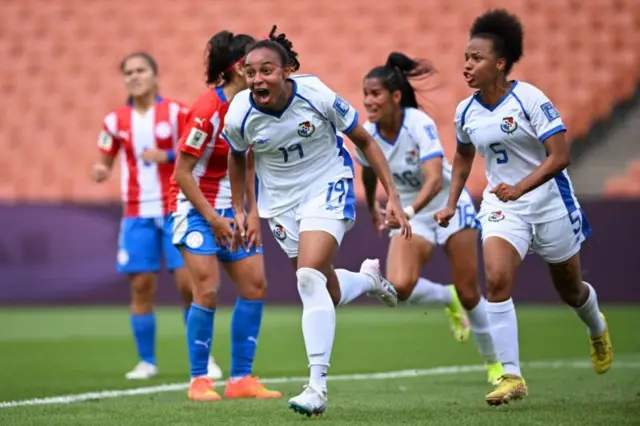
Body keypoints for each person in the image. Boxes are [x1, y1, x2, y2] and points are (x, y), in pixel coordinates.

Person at [222, 26, 409, 417]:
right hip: (280, 203)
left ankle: (316, 387)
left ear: (287, 70)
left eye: (267, 70)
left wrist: (390, 195)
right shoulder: (239, 112)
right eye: (251, 72)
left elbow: (365, 140)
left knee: (308, 278)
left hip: (328, 184)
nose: (258, 79)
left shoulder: (316, 95)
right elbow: (237, 157)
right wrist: (242, 208)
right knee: (329, 290)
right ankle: (370, 279)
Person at [434, 9, 613, 406]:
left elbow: (560, 155)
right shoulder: (466, 111)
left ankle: (597, 328)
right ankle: (511, 376)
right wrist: (450, 203)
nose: (467, 65)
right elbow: (463, 157)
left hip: (549, 202)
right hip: (503, 206)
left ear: (500, 63)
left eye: (476, 58)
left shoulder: (530, 98)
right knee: (496, 281)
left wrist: (522, 187)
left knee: (570, 289)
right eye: (465, 58)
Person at [357, 52, 503, 386]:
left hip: (447, 205)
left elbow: (436, 178)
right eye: (365, 94)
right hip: (410, 212)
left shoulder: (417, 123)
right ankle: (445, 297)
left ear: (395, 97)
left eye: (375, 93)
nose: (368, 101)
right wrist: (372, 208)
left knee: (470, 292)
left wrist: (405, 212)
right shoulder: (367, 133)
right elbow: (366, 172)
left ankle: (496, 366)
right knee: (399, 289)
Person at [92, 52, 222, 381]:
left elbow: (198, 146)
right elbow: (105, 157)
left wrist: (165, 155)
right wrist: (100, 169)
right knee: (141, 286)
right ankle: (146, 361)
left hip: (175, 208)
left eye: (141, 70)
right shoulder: (114, 121)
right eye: (129, 72)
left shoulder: (177, 112)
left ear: (154, 75)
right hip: (136, 212)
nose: (134, 76)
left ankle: (204, 359)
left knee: (187, 286)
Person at [170, 31, 283, 402]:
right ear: (237, 67)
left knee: (255, 286)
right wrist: (214, 219)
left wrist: (250, 213)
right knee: (208, 288)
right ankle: (199, 380)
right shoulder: (206, 112)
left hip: (230, 210)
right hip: (195, 210)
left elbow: (249, 163)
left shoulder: (252, 108)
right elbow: (182, 173)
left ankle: (240, 380)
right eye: (250, 64)